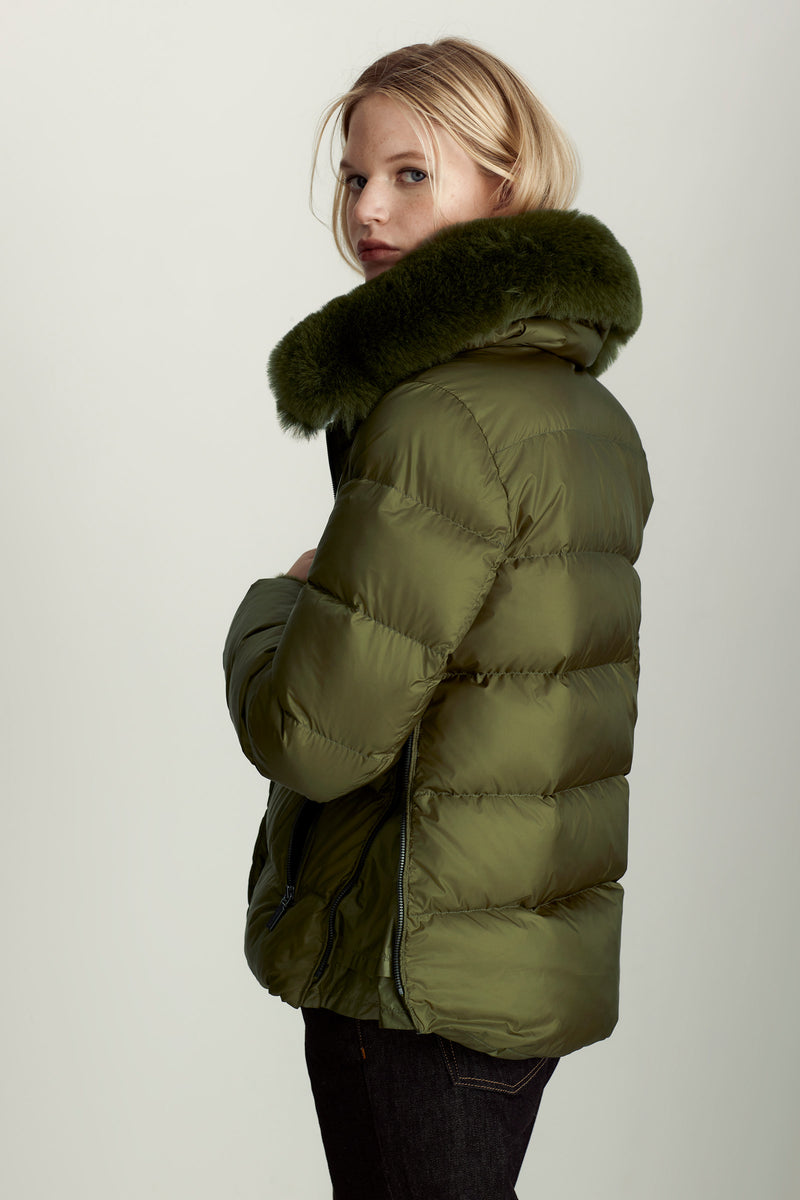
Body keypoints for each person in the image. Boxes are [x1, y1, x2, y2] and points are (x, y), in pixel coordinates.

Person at [223, 36, 652, 1200]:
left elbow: (317, 737)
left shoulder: (438, 416)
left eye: (411, 174)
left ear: (501, 185)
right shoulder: (580, 410)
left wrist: (276, 607)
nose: (368, 207)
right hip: (511, 964)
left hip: (412, 971)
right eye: (355, 176)